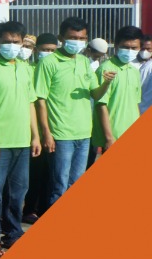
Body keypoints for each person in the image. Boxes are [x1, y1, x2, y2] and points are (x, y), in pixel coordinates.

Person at [0, 21, 42, 258]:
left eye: (15, 42)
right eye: (6, 42)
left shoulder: (25, 69)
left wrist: (35, 136)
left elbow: (31, 103)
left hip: (22, 142)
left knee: (18, 193)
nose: (11, 46)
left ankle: (13, 234)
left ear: (23, 42)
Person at [34, 18, 97, 210]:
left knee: (76, 184)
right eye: (72, 37)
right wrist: (46, 132)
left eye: (82, 38)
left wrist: (106, 84)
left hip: (84, 133)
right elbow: (40, 99)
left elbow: (95, 92)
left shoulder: (85, 62)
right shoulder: (49, 63)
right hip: (61, 135)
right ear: (61, 38)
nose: (77, 41)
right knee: (59, 185)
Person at [22, 33, 58, 221]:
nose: (49, 54)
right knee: (34, 171)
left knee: (51, 172)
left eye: (53, 50)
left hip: (53, 126)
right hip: (32, 127)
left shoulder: (55, 69)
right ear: (37, 51)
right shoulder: (29, 69)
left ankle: (44, 207)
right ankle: (30, 208)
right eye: (45, 50)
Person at [94, 25, 143, 154]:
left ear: (139, 49)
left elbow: (135, 104)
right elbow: (101, 105)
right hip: (113, 138)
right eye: (125, 47)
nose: (129, 51)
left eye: (134, 48)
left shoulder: (134, 72)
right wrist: (109, 138)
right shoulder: (106, 70)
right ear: (116, 46)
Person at [140, 33, 152, 114]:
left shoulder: (148, 67)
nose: (145, 51)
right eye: (143, 49)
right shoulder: (143, 65)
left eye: (148, 49)